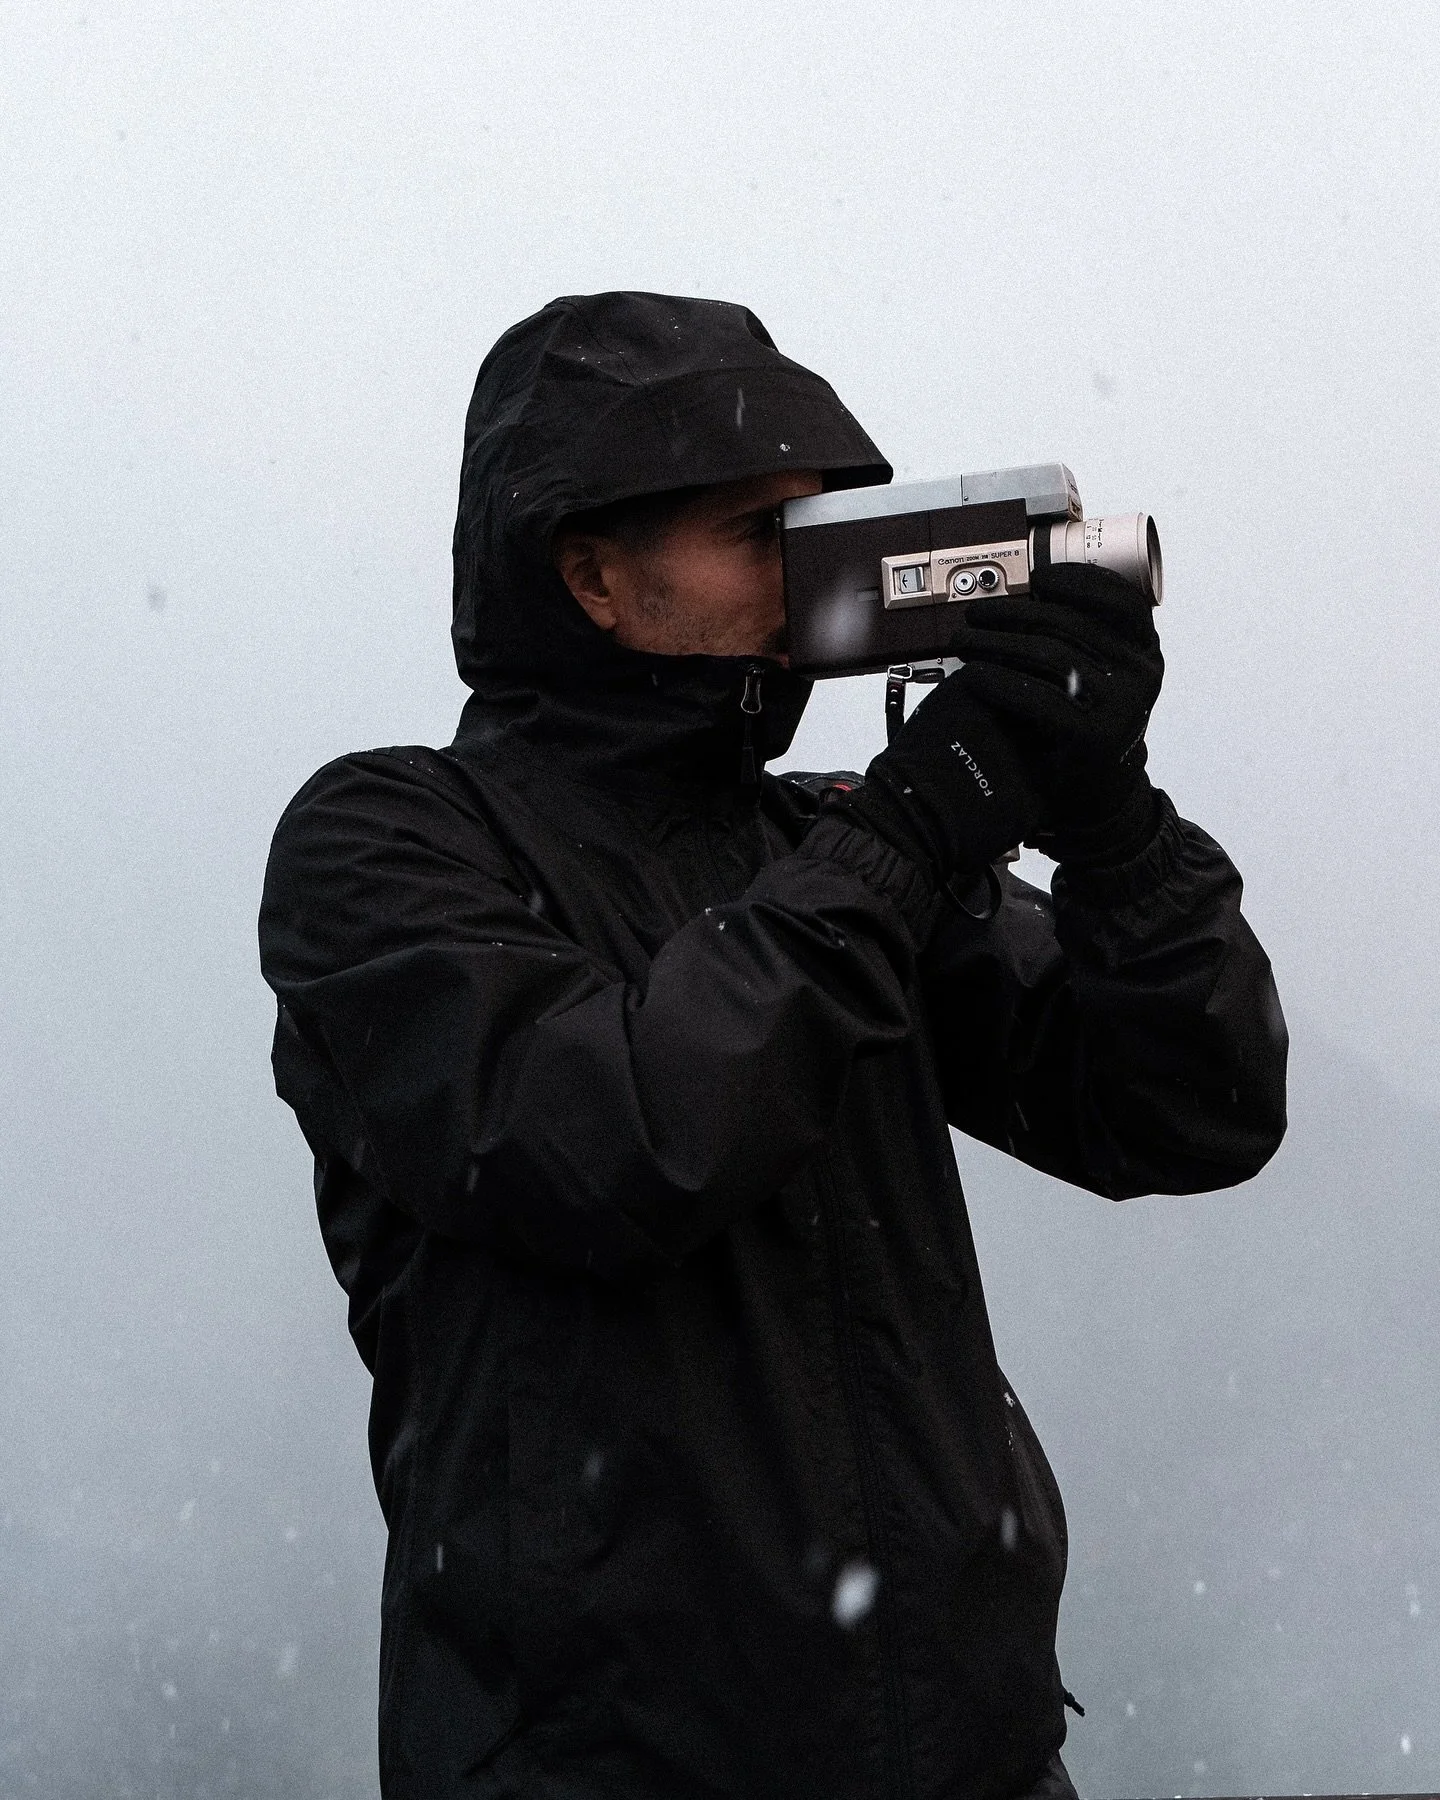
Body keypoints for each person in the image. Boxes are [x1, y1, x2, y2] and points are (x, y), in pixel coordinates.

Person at [258, 291, 1287, 1800]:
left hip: (975, 1760)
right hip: (607, 1772)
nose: (806, 579)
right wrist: (913, 830)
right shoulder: (386, 843)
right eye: (760, 535)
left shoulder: (823, 847)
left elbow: (1193, 1108)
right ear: (591, 576)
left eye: (822, 532)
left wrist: (1112, 822)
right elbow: (617, 1141)